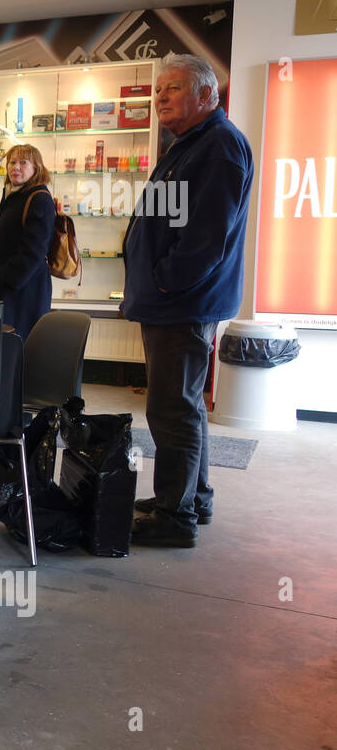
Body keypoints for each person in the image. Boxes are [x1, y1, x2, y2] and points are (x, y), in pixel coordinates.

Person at [122, 53, 254, 548]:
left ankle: (175, 518)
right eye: (158, 90)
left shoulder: (217, 147)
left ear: (206, 96)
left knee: (171, 410)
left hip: (181, 303)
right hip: (171, 300)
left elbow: (205, 237)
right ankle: (190, 498)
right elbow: (161, 215)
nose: (160, 97)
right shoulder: (187, 145)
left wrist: (163, 281)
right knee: (186, 407)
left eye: (172, 88)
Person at [0, 143, 56, 340]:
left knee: (17, 351)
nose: (16, 167)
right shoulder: (13, 195)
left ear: (36, 167)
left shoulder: (39, 197)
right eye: (12, 162)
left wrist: (5, 280)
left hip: (23, 295)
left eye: (23, 162)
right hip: (7, 293)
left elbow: (34, 250)